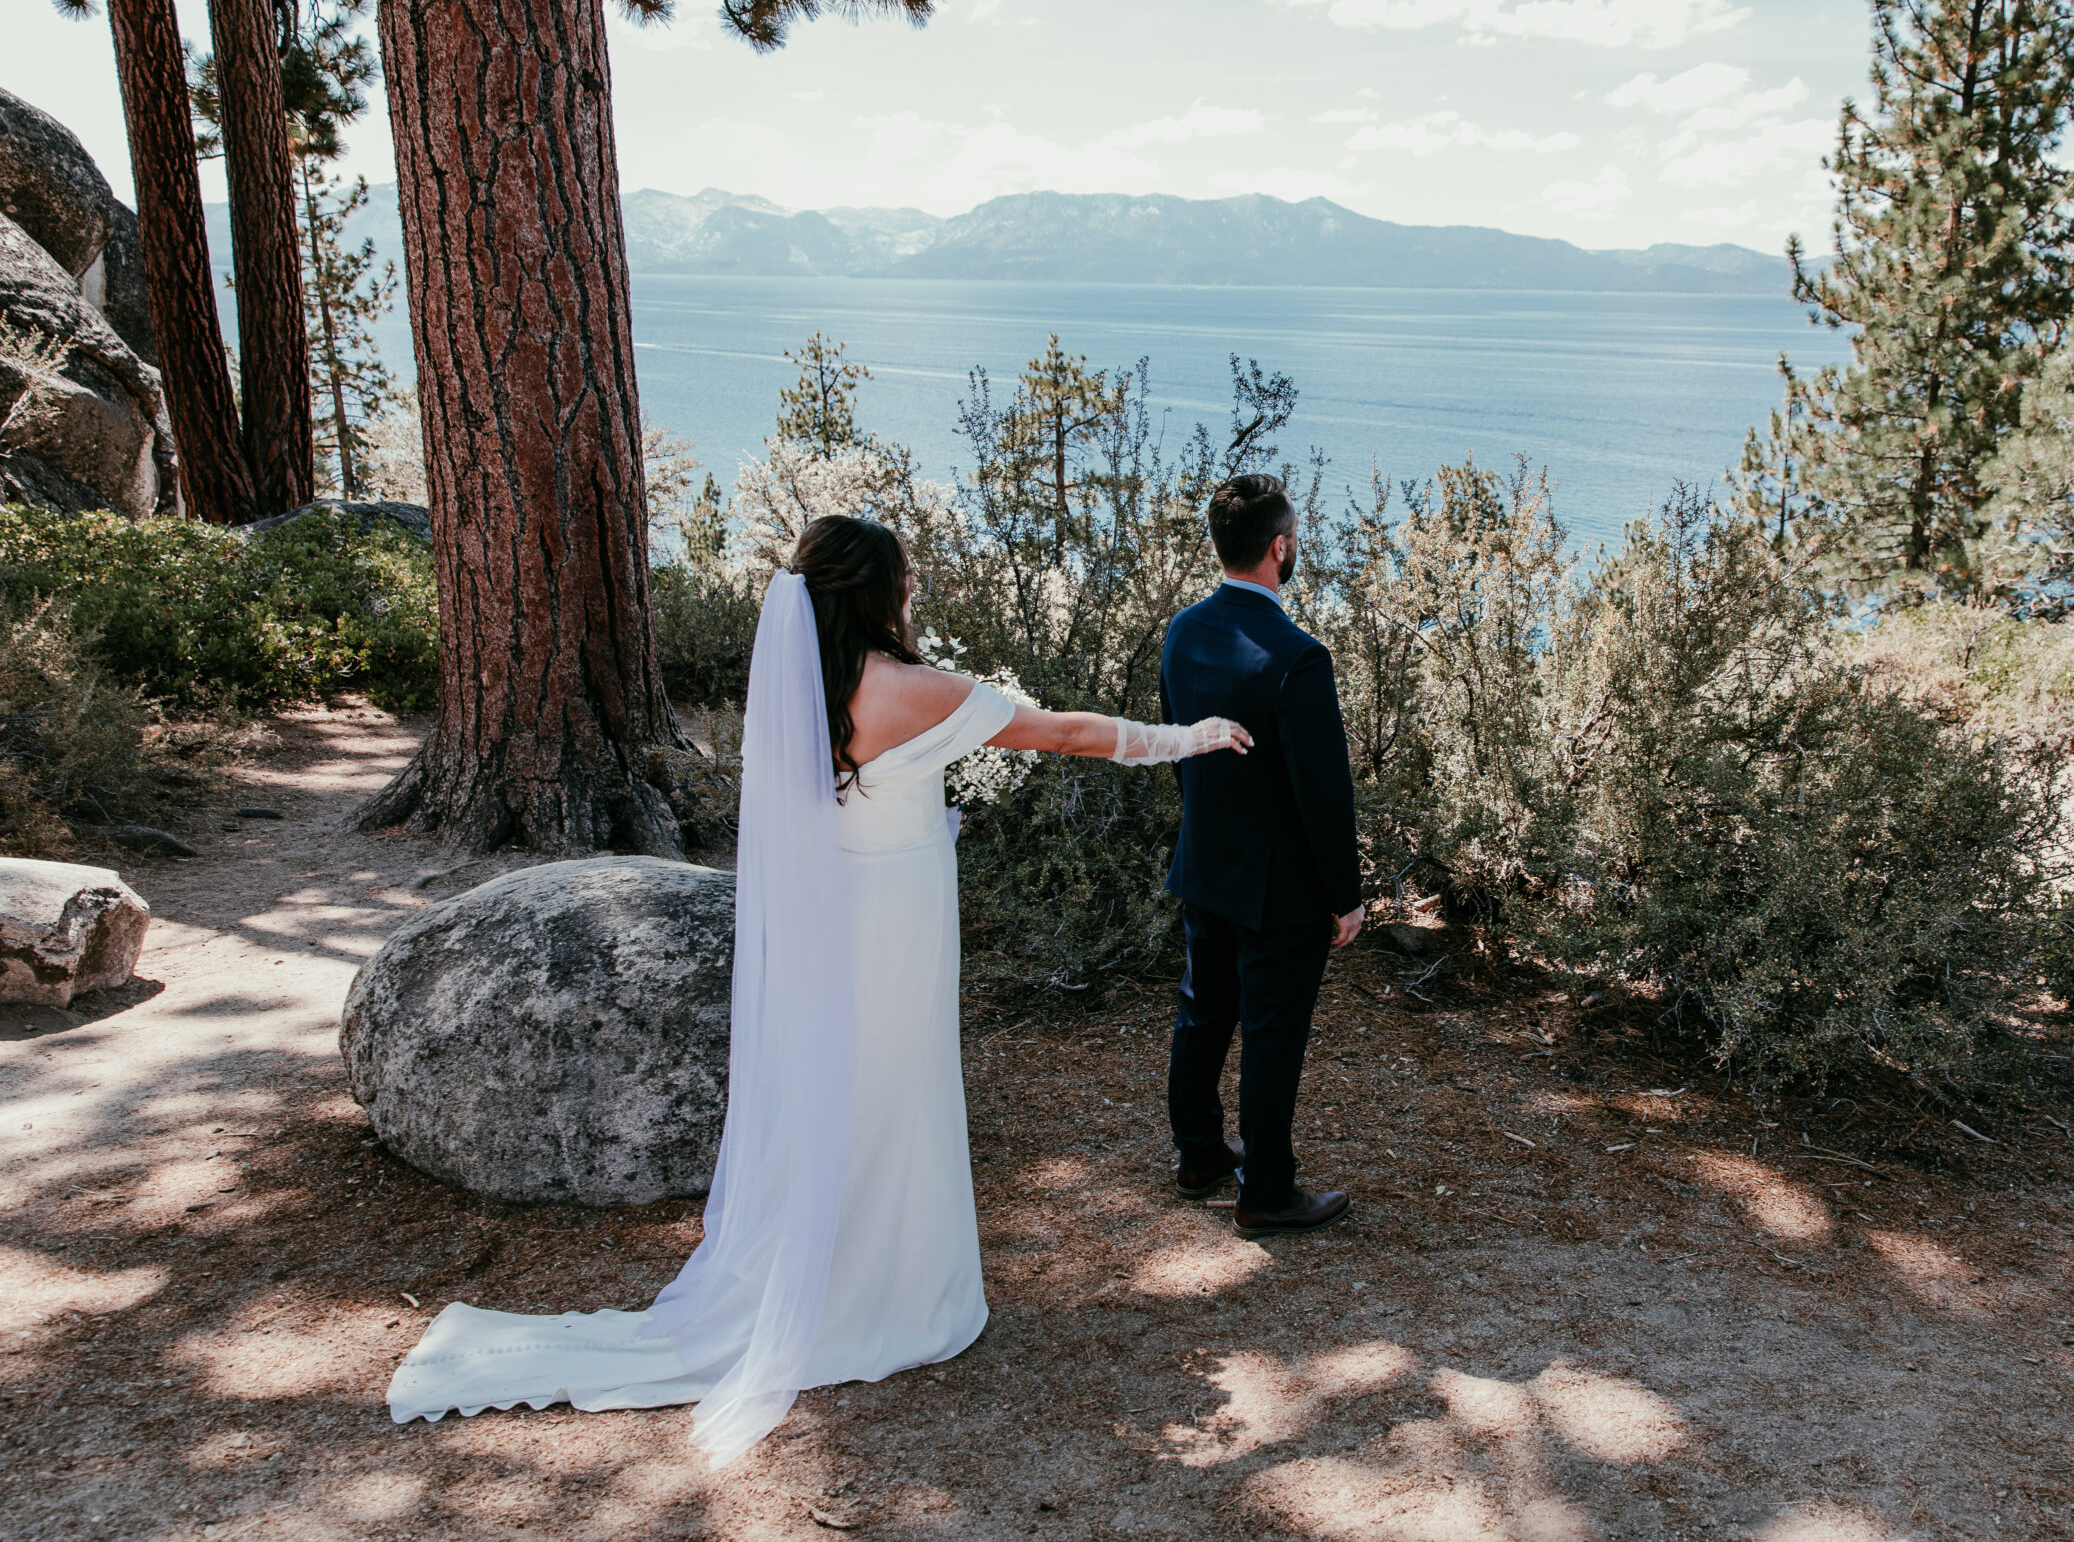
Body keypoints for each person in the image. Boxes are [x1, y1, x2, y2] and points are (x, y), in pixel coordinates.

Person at [383, 514, 1247, 1468]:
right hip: (900, 930)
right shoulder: (916, 689)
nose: (913, 591)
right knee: (899, 1089)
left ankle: (837, 1268)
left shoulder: (802, 691)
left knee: (850, 1089)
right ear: (880, 592)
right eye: (906, 579)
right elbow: (1067, 733)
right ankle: (894, 1294)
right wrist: (1190, 736)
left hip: (842, 924)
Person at [1159, 473, 1365, 1237]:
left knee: (1202, 1011)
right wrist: (1344, 895)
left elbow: (1178, 745)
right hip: (1278, 887)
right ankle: (1266, 1191)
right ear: (1280, 548)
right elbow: (1324, 792)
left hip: (1207, 860)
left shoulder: (1183, 630)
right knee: (1273, 1033)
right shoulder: (1299, 657)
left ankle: (1199, 1153)